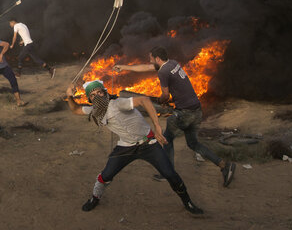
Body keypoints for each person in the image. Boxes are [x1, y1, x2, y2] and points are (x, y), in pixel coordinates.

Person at [65, 80, 204, 214]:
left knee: (170, 174)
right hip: (126, 147)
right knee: (106, 175)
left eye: (99, 92)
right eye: (92, 95)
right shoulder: (95, 111)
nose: (96, 96)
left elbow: (144, 100)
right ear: (90, 99)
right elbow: (75, 109)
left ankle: (188, 202)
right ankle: (94, 198)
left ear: (105, 92)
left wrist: (157, 126)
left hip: (148, 143)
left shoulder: (118, 103)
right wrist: (69, 95)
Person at [114, 46, 236, 187]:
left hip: (184, 113)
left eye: (151, 58)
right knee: (193, 144)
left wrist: (159, 101)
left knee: (167, 139)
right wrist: (123, 67)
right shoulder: (172, 63)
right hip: (196, 110)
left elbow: (165, 95)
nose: (150, 60)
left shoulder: (163, 72)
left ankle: (168, 172)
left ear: (157, 59)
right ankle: (224, 165)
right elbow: (146, 67)